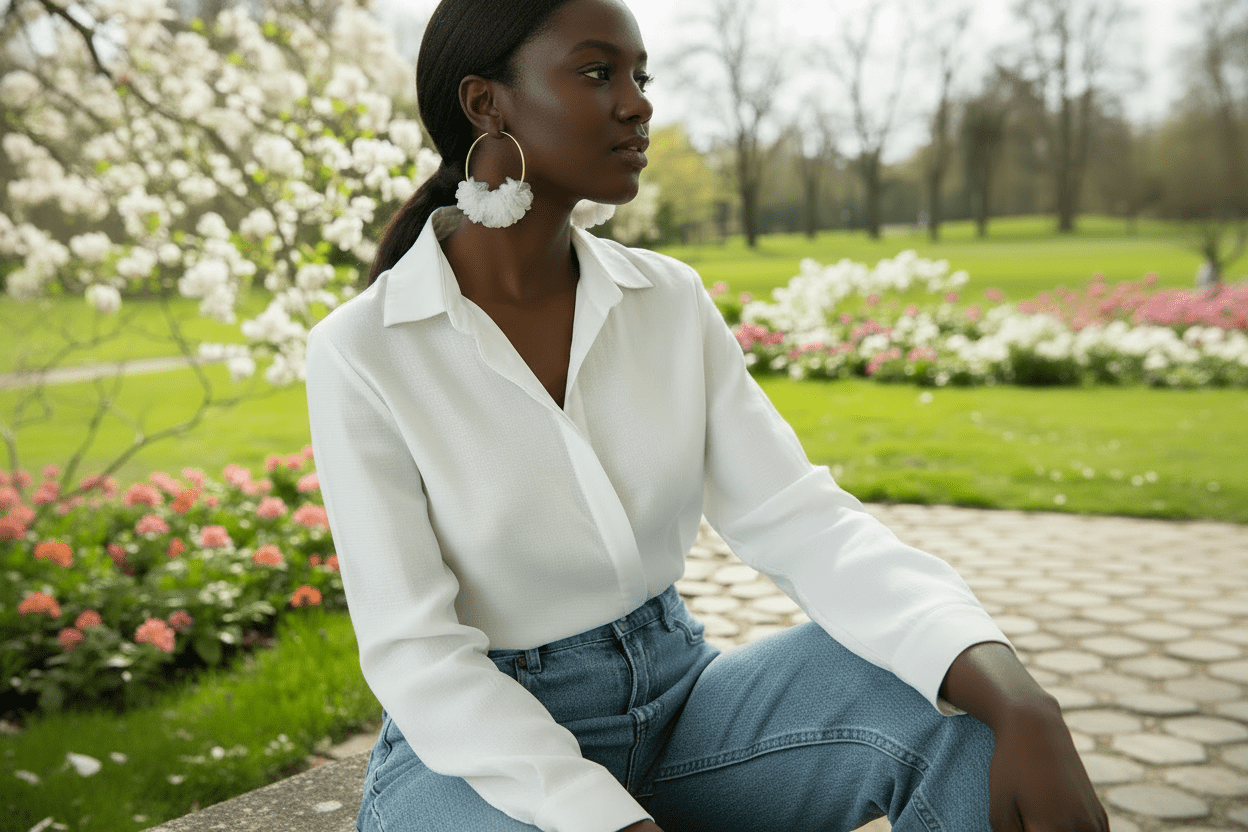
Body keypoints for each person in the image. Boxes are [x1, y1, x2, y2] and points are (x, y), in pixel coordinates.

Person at [303, 1, 1109, 831]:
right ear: (486, 104)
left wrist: (1019, 699)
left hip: (681, 708)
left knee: (961, 709)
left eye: (640, 75)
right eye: (597, 73)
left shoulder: (667, 301)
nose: (638, 103)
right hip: (476, 758)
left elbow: (802, 520)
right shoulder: (363, 353)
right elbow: (418, 654)